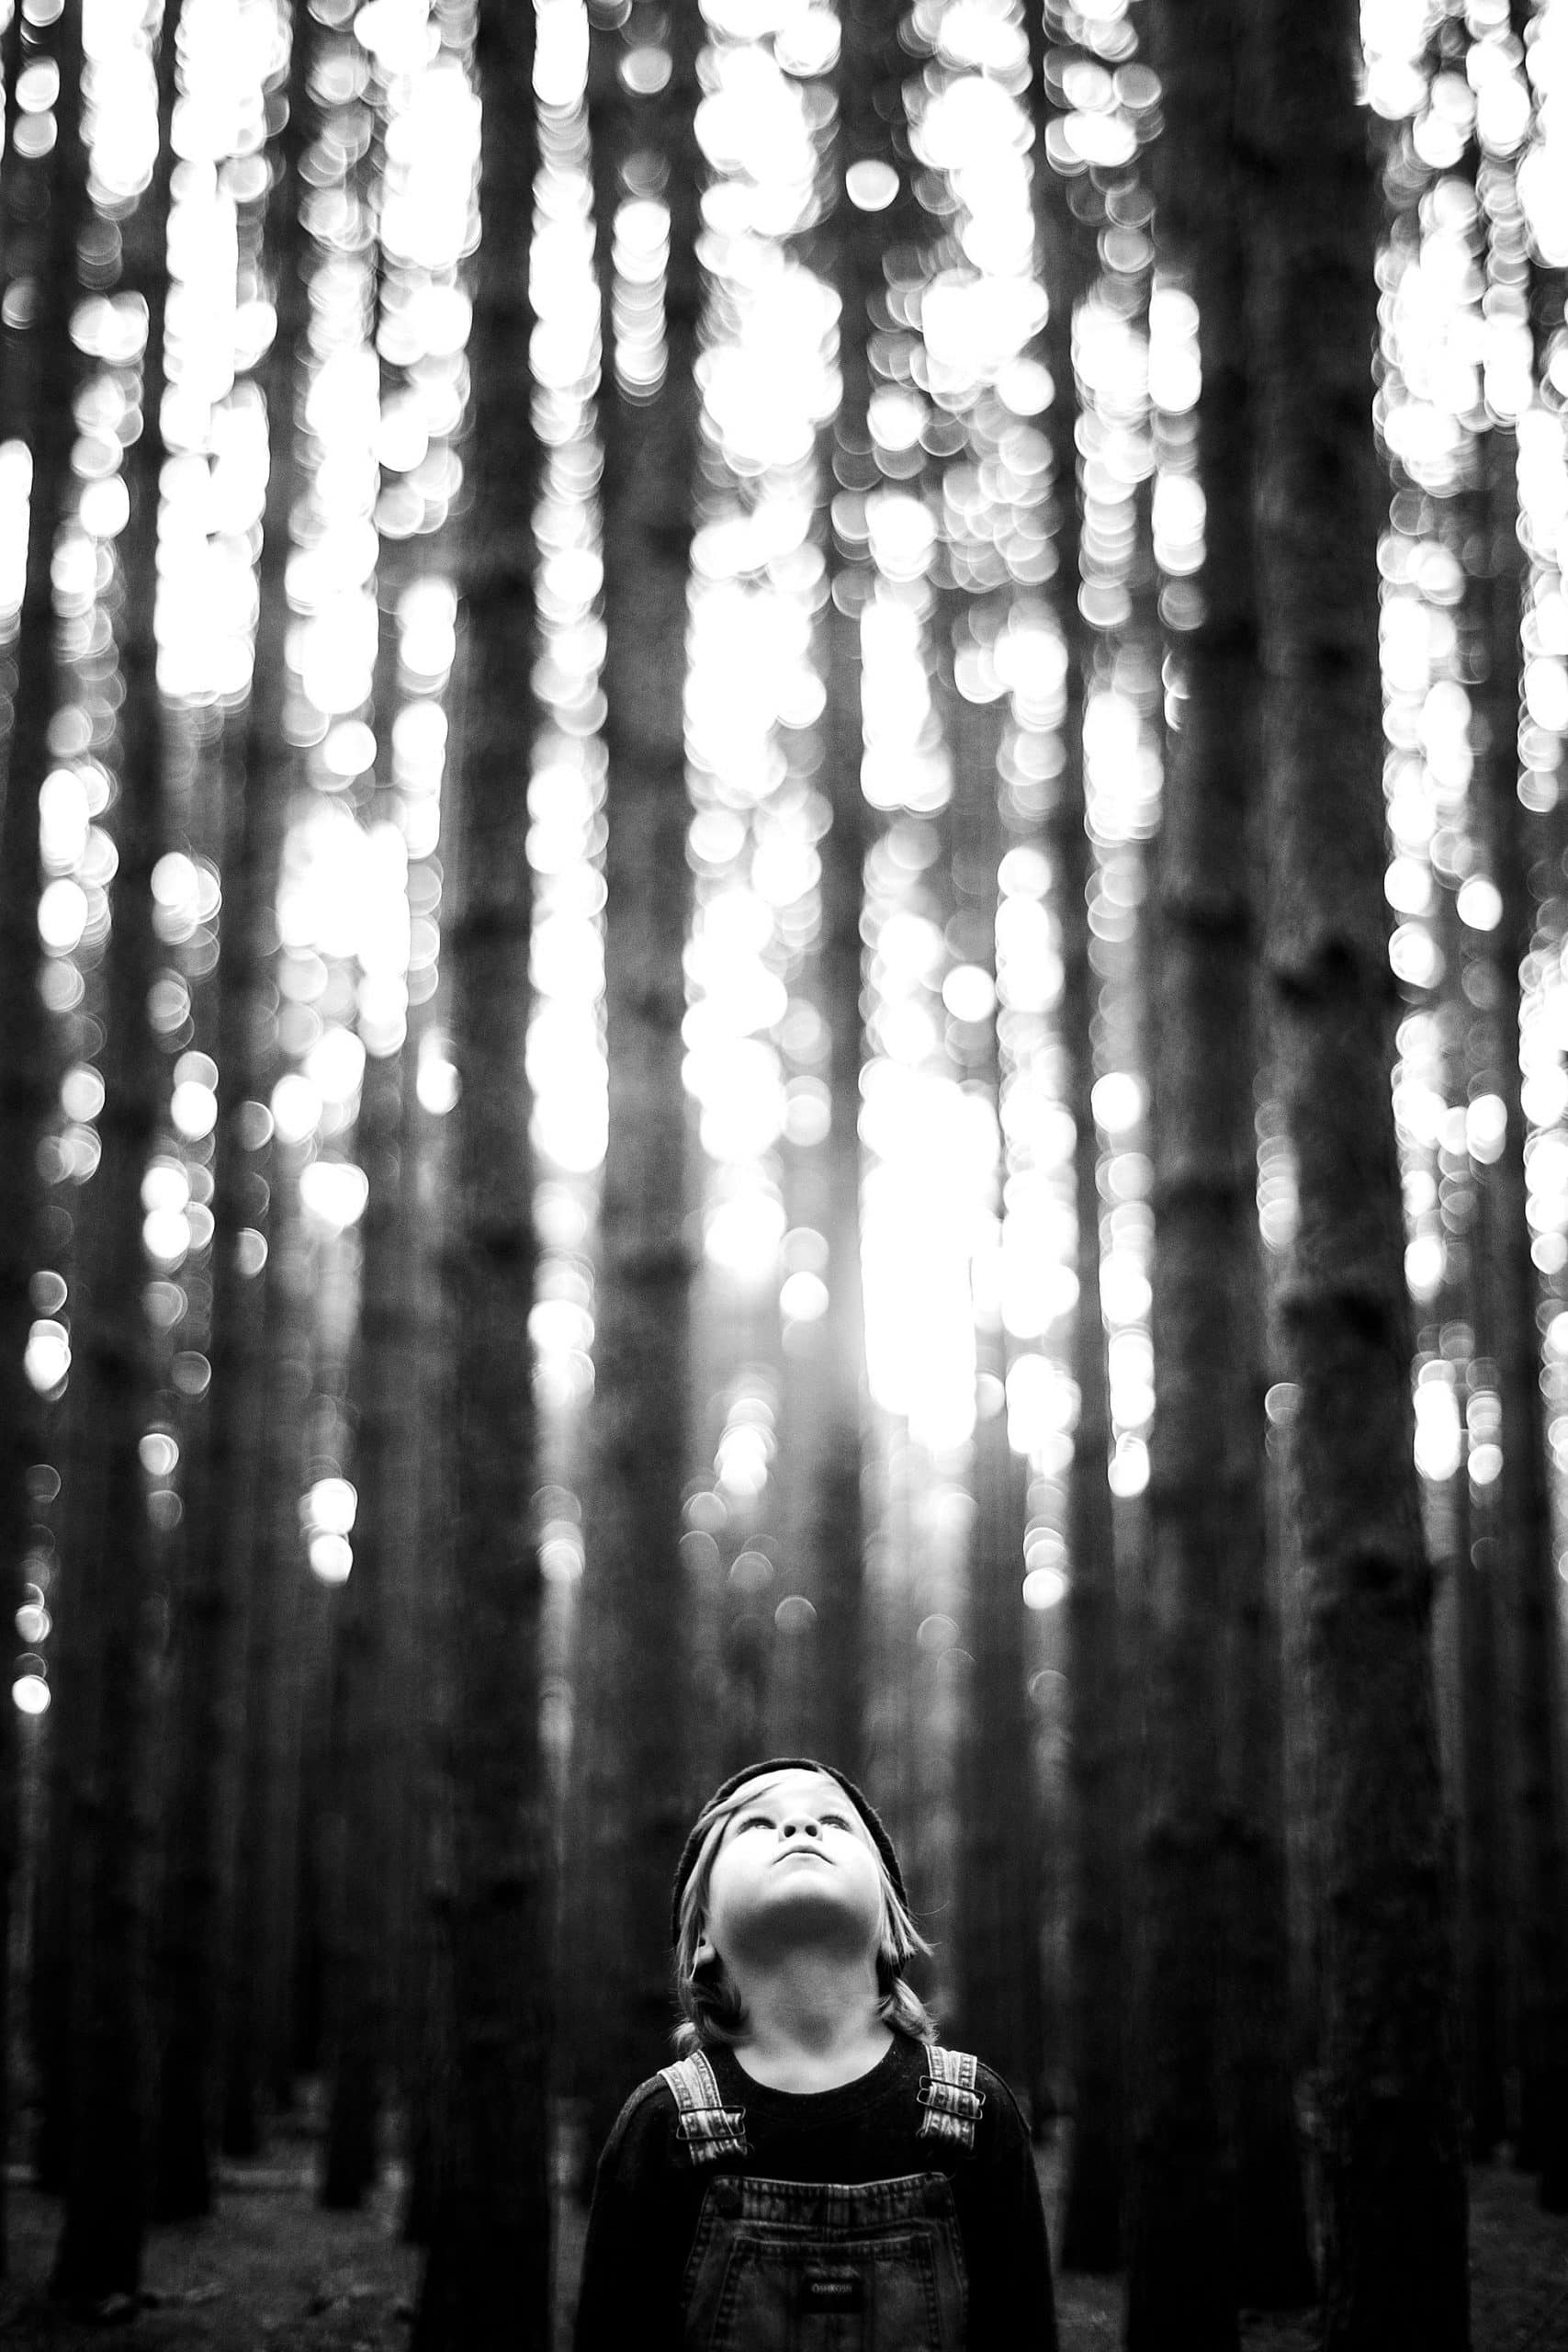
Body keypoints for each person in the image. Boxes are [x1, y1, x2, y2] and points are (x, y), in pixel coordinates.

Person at [573, 1756, 1058, 2350]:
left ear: (888, 1925)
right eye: (754, 1824)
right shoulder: (660, 2128)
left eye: (834, 1821)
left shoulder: (977, 2116)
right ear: (701, 1936)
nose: (799, 1827)